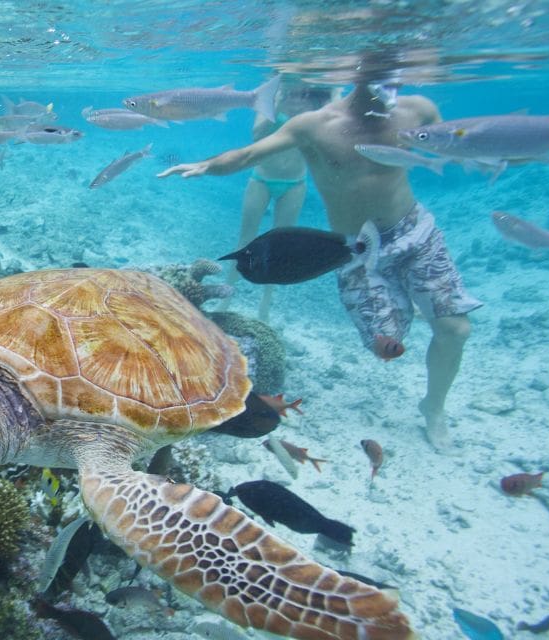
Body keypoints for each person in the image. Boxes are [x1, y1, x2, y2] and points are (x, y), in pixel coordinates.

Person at [158, 76, 478, 451]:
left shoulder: (419, 109)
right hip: (352, 246)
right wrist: (205, 165)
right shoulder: (312, 125)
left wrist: (508, 150)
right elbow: (247, 156)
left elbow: (453, 142)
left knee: (455, 329)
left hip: (414, 230)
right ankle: (410, 303)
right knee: (385, 345)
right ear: (352, 72)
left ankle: (433, 407)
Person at [222, 81, 337, 321]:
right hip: (261, 179)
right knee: (245, 240)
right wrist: (280, 103)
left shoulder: (317, 108)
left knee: (281, 246)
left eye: (302, 92)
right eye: (291, 91)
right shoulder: (268, 102)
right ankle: (226, 297)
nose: (298, 96)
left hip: (295, 184)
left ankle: (265, 304)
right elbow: (257, 135)